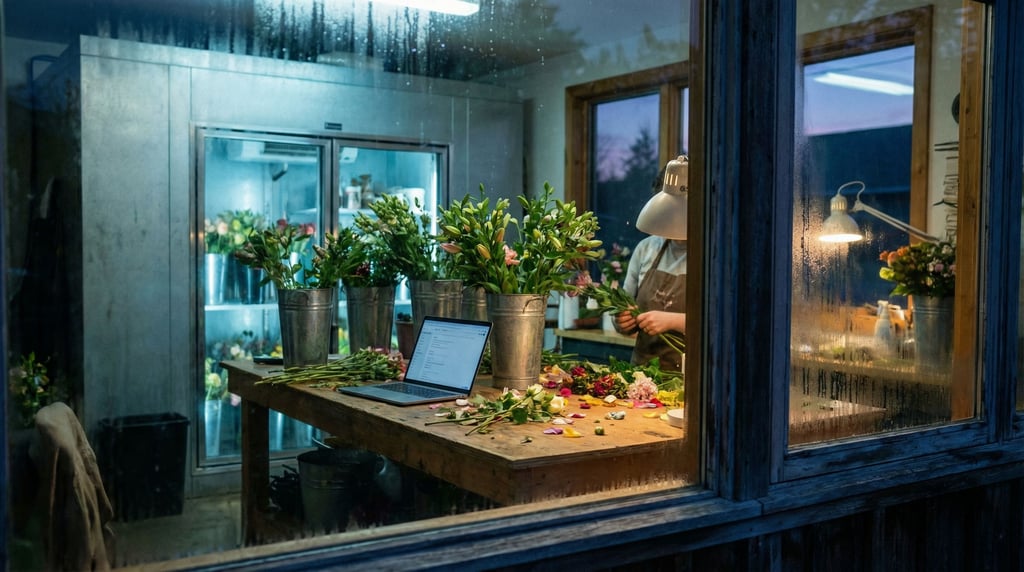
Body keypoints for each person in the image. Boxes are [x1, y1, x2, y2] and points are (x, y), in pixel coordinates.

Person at [613, 160, 688, 372]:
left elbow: (721, 327)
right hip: (642, 377)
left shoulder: (713, 257)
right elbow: (624, 304)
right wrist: (622, 320)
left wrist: (673, 321)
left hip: (690, 379)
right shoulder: (646, 249)